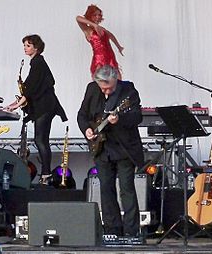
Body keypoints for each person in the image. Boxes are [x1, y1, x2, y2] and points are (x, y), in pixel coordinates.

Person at [77, 64, 143, 238]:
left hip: (124, 148)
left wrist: (119, 119)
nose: (106, 92)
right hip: (102, 148)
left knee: (126, 189)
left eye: (110, 88)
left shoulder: (128, 90)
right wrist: (87, 130)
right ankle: (112, 229)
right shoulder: (92, 89)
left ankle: (131, 231)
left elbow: (137, 116)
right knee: (106, 189)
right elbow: (82, 115)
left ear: (116, 80)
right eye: (103, 88)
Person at [6, 34, 68, 184]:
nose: (25, 48)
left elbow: (31, 87)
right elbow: (29, 86)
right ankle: (46, 174)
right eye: (25, 45)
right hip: (45, 106)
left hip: (45, 106)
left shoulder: (38, 62)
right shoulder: (36, 63)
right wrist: (16, 102)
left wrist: (17, 104)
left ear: (36, 47)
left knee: (41, 139)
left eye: (28, 45)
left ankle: (46, 175)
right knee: (42, 139)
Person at [76, 4, 125, 79]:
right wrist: (94, 25)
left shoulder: (102, 29)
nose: (98, 17)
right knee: (99, 83)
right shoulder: (88, 30)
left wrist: (119, 47)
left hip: (111, 57)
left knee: (118, 82)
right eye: (95, 15)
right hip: (99, 59)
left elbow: (111, 36)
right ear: (90, 16)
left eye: (99, 15)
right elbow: (78, 18)